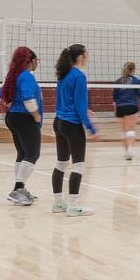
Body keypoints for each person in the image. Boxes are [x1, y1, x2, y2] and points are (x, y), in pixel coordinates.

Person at [51, 44, 98, 216]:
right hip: (72, 125)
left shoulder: (63, 74)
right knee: (78, 165)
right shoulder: (79, 76)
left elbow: (68, 101)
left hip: (59, 122)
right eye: (87, 53)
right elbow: (78, 105)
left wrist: (84, 109)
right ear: (81, 57)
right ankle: (74, 205)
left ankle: (58, 203)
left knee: (61, 163)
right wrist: (91, 127)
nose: (88, 56)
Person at [1, 47, 42, 205]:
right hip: (24, 117)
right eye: (37, 60)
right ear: (30, 61)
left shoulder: (14, 75)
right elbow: (28, 97)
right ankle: (17, 190)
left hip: (13, 116)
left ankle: (20, 189)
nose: (37, 63)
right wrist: (36, 114)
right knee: (33, 154)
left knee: (23, 153)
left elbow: (2, 98)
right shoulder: (26, 77)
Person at [112, 61, 140, 160]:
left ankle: (126, 152)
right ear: (133, 70)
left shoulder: (118, 81)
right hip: (131, 106)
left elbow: (114, 100)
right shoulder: (136, 81)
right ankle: (130, 149)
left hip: (120, 107)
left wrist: (115, 110)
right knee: (130, 130)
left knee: (124, 131)